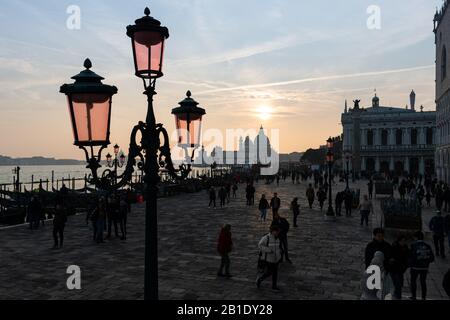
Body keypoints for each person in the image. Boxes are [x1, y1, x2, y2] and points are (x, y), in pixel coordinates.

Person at [410, 231, 435, 300]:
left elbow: (411, 256)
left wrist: (411, 263)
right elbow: (432, 258)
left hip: (415, 267)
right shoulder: (427, 246)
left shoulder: (413, 245)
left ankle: (414, 296)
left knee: (413, 281)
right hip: (424, 267)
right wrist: (426, 262)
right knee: (423, 282)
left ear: (416, 237)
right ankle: (423, 297)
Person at [256, 225, 282, 291]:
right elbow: (260, 245)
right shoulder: (266, 237)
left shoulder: (278, 238)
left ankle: (274, 286)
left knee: (275, 273)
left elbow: (278, 248)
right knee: (270, 272)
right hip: (269, 259)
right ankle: (260, 279)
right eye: (277, 232)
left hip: (276, 259)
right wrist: (269, 250)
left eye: (278, 232)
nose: (278, 233)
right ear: (273, 231)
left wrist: (280, 255)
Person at [390, 235, 410, 300]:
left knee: (399, 283)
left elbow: (407, 256)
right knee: (396, 282)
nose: (403, 242)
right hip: (394, 268)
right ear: (399, 241)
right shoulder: (394, 246)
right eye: (402, 241)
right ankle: (397, 295)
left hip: (401, 268)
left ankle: (397, 294)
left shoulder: (405, 247)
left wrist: (406, 265)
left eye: (404, 241)